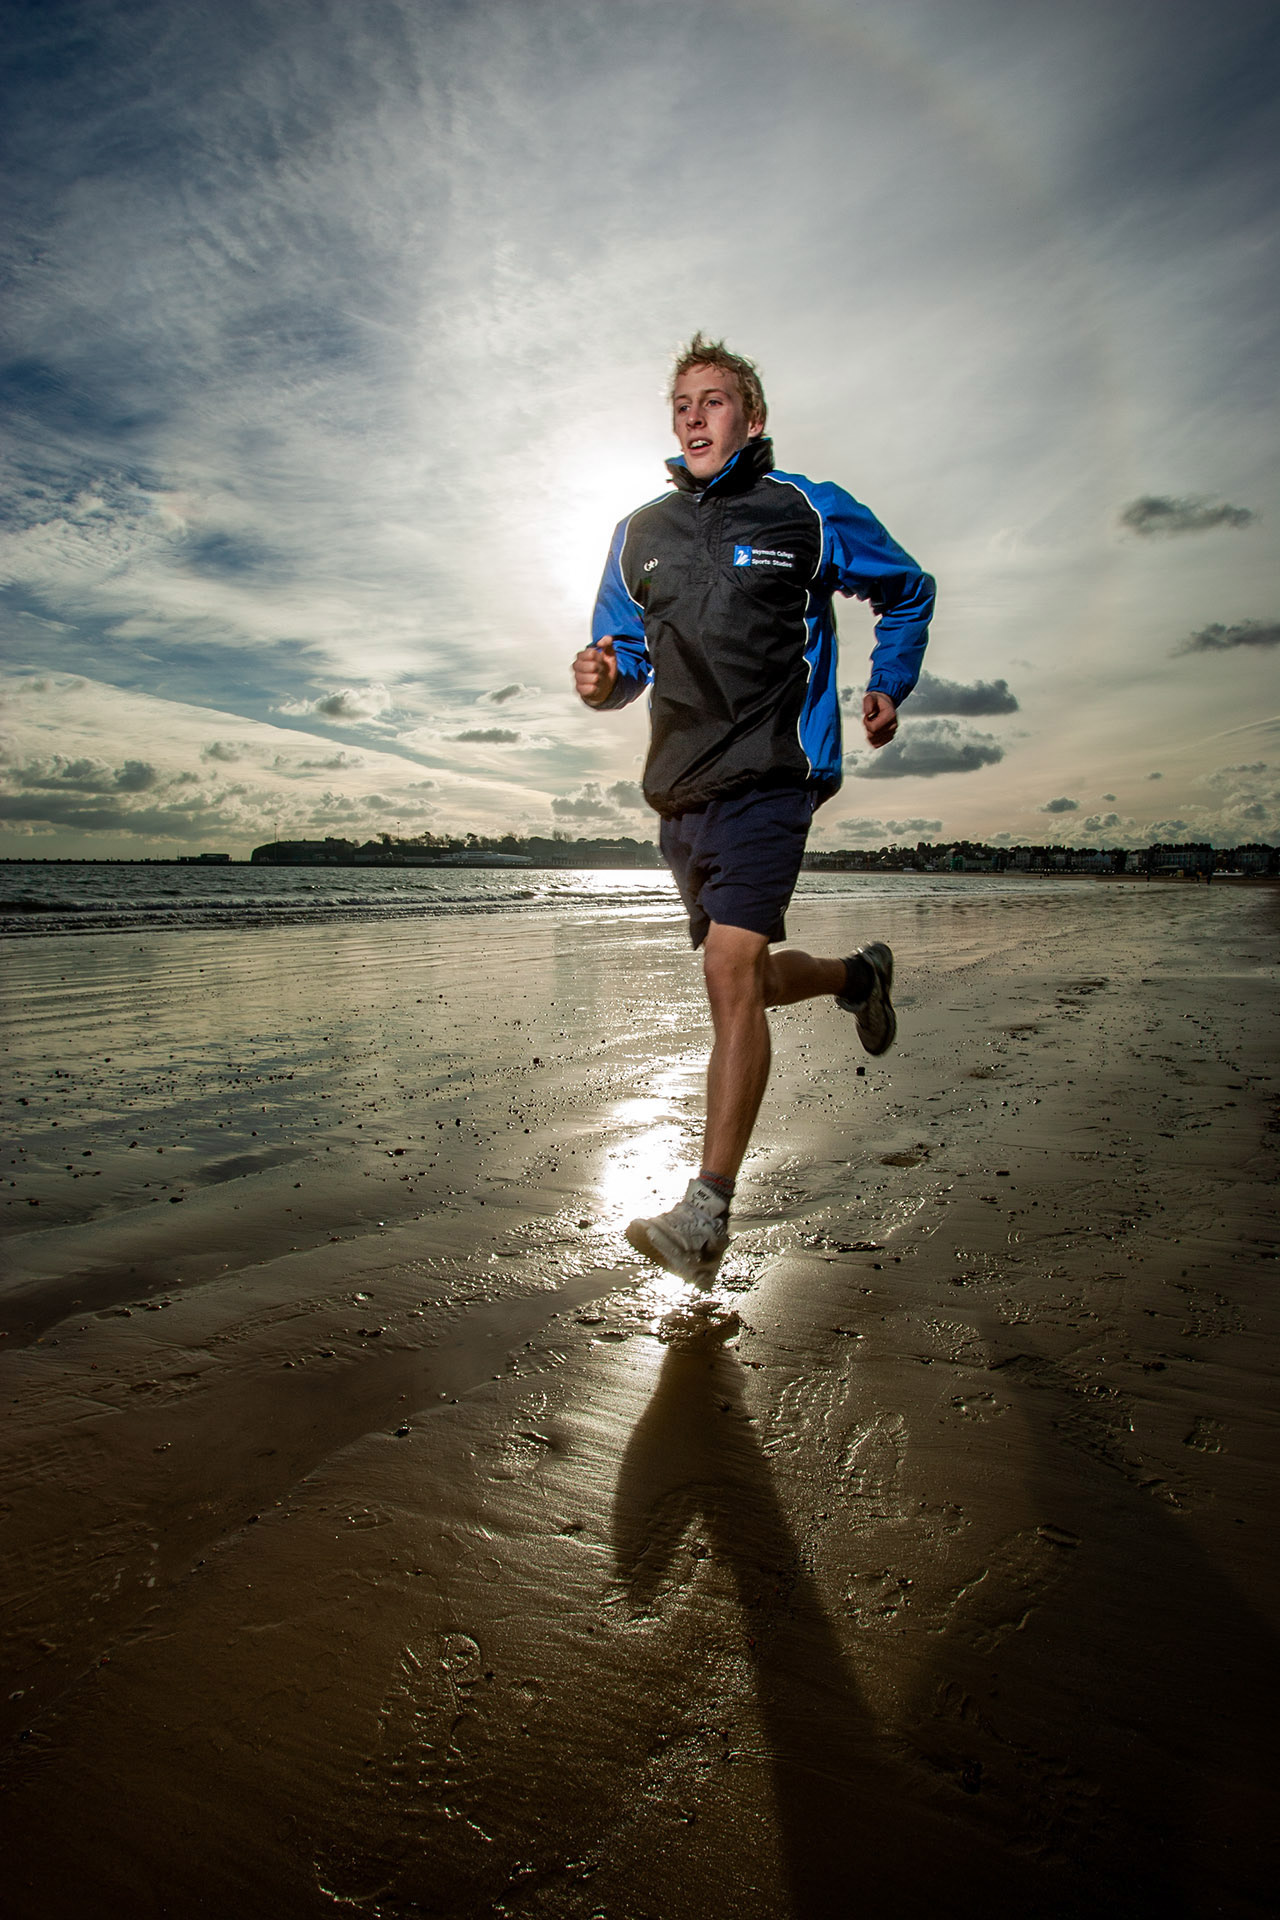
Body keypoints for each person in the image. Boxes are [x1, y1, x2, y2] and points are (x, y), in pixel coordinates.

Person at [572, 334, 934, 1285]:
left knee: (729, 968)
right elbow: (623, 656)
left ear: (752, 417)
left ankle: (706, 1213)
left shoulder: (807, 508)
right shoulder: (638, 532)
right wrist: (604, 678)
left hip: (776, 771)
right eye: (682, 403)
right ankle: (858, 976)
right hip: (680, 788)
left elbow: (907, 589)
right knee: (750, 983)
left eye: (714, 400)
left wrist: (889, 682)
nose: (695, 416)